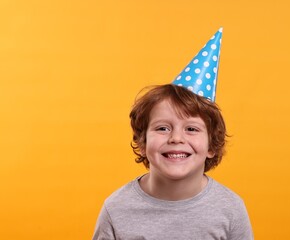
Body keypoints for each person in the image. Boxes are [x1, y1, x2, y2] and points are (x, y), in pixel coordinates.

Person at [93, 27, 253, 239]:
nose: (176, 138)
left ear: (212, 146)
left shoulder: (230, 210)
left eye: (191, 129)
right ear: (142, 142)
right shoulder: (117, 209)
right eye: (162, 128)